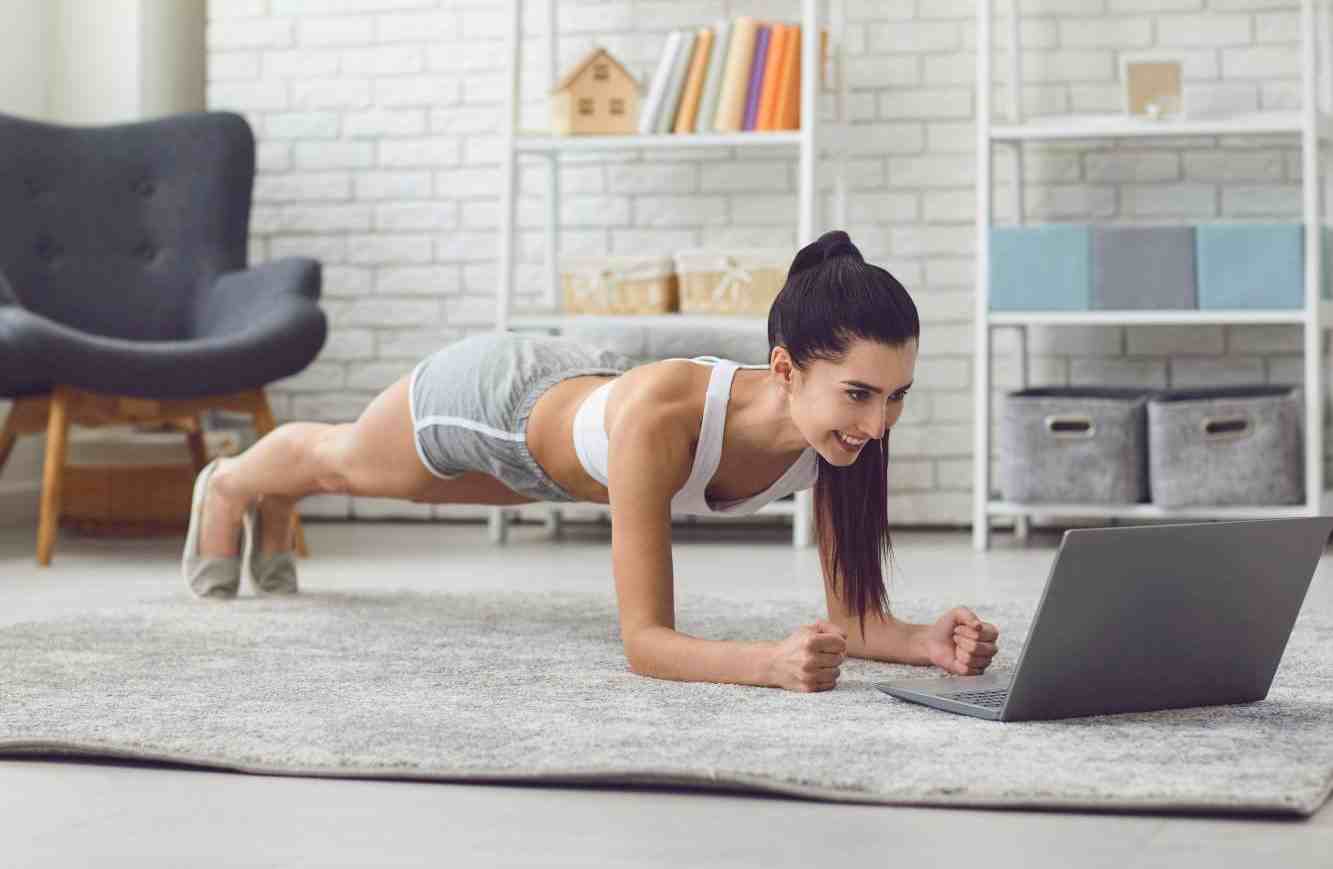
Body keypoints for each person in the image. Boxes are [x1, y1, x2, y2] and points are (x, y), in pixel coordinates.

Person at [182, 230, 1000, 692]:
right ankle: (231, 484)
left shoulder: (844, 438)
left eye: (897, 396)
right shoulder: (665, 418)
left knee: (366, 475)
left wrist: (924, 640)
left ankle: (277, 505)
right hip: (498, 400)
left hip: (561, 441)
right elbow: (646, 642)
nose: (879, 422)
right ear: (784, 368)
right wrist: (767, 664)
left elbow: (854, 622)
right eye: (860, 393)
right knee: (345, 463)